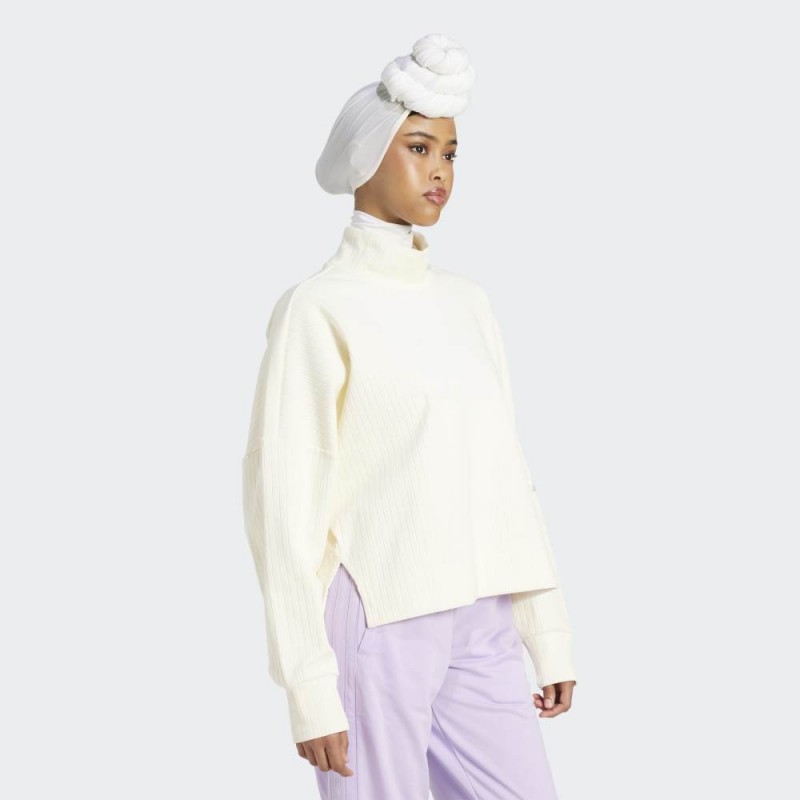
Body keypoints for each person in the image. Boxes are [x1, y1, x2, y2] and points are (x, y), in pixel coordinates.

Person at [241, 33, 578, 799]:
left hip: (484, 616)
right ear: (365, 155)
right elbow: (283, 506)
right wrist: (309, 686)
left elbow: (508, 476)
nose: (439, 171)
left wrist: (546, 630)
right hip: (379, 616)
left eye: (451, 153)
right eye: (419, 147)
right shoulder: (318, 309)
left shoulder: (468, 303)